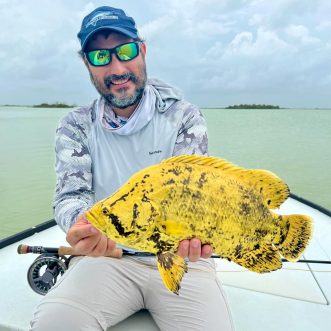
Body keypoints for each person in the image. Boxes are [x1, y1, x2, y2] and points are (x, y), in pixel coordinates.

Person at [30, 6, 233, 331]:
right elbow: (71, 195)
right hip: (106, 257)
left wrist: (205, 236)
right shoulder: (76, 125)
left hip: (183, 260)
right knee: (54, 324)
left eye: (125, 51)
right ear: (87, 64)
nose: (117, 67)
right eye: (100, 57)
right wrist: (82, 224)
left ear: (142, 50)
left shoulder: (184, 117)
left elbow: (195, 199)